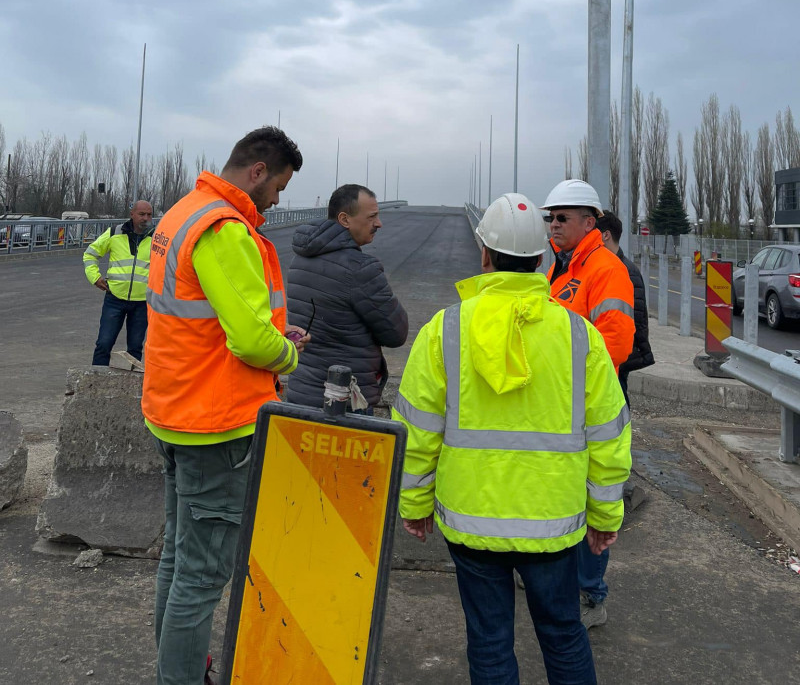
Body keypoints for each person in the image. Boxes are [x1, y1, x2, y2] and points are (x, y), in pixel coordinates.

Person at [394, 193, 631, 685]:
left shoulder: (445, 329)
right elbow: (609, 434)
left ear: (485, 254)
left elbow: (419, 431)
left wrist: (414, 504)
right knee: (564, 632)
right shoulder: (579, 335)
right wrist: (606, 514)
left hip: (472, 517)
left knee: (489, 640)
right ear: (541, 259)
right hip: (553, 521)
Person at [142, 126, 309, 685]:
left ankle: (176, 668)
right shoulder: (223, 228)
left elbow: (204, 319)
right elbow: (254, 342)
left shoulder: (181, 213)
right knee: (201, 576)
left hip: (173, 412)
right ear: (258, 171)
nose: (279, 199)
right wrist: (287, 353)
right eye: (280, 186)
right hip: (216, 424)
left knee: (177, 561)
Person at [540, 178, 635, 630]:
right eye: (550, 218)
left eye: (562, 218)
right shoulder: (561, 268)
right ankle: (560, 580)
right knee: (565, 494)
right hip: (561, 405)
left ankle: (590, 595)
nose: (553, 225)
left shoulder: (604, 269)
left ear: (589, 221)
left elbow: (615, 344)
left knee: (595, 496)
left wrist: (565, 381)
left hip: (588, 406)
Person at [285, 184, 408, 411]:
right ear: (344, 219)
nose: (378, 224)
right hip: (344, 402)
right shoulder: (360, 269)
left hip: (301, 393)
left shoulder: (299, 261)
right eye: (371, 217)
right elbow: (396, 333)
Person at [83, 199, 154, 365]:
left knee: (135, 348)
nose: (145, 218)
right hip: (114, 298)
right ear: (132, 214)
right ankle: (97, 382)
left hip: (142, 302)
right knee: (104, 343)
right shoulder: (114, 233)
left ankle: (130, 386)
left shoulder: (157, 237)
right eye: (142, 214)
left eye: (149, 215)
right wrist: (94, 277)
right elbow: (90, 254)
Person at [596, 209, 655, 406]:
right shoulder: (607, 267)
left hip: (617, 360)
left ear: (605, 235)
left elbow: (635, 321)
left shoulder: (624, 270)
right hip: (610, 358)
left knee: (617, 406)